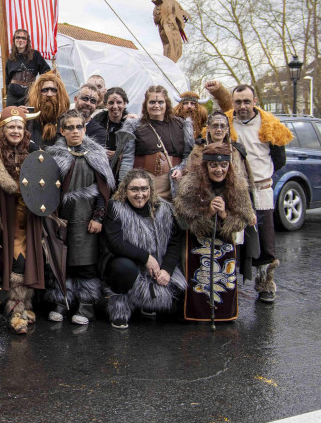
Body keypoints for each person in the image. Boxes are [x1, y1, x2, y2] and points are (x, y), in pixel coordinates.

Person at [45, 110, 114, 325]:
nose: (75, 131)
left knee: (85, 263)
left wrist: (99, 217)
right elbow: (46, 190)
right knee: (63, 260)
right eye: (70, 128)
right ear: (62, 131)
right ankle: (62, 301)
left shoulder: (96, 155)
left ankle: (86, 305)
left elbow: (105, 190)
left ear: (85, 129)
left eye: (79, 127)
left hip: (87, 217)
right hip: (62, 218)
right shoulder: (54, 156)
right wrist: (52, 218)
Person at [0, 106, 45, 334]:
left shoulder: (34, 154)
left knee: (29, 261)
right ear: (2, 129)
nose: (16, 131)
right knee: (17, 262)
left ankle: (26, 304)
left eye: (19, 126)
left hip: (31, 218)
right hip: (7, 219)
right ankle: (16, 311)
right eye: (11, 126)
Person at [174, 143, 256, 322]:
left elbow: (243, 218)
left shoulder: (238, 185)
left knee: (223, 278)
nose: (219, 170)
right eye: (214, 165)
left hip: (225, 244)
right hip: (197, 243)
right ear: (206, 166)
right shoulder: (190, 184)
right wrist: (208, 213)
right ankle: (198, 315)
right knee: (199, 281)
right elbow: (182, 217)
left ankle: (224, 314)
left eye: (223, 165)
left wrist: (224, 215)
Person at [227, 85, 293, 304]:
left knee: (265, 238)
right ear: (232, 103)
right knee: (235, 237)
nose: (243, 106)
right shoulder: (226, 123)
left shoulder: (270, 125)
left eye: (247, 101)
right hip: (235, 190)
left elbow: (279, 159)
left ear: (254, 100)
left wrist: (262, 175)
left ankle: (265, 282)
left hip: (261, 189)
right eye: (238, 102)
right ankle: (229, 284)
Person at [101, 169, 185, 327]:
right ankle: (120, 309)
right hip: (130, 264)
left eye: (144, 189)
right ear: (125, 190)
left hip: (158, 267)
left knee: (181, 298)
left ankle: (147, 304)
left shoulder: (165, 210)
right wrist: (146, 258)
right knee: (122, 268)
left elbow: (175, 242)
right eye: (134, 189)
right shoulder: (115, 208)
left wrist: (167, 270)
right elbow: (116, 242)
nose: (140, 194)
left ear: (150, 190)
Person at [120, 85, 194, 201]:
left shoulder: (181, 125)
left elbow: (189, 156)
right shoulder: (135, 126)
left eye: (160, 102)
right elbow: (127, 159)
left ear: (167, 103)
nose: (156, 106)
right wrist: (123, 186)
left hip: (173, 187)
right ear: (146, 104)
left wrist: (181, 170)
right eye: (152, 102)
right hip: (142, 189)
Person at [5, 29, 51, 106]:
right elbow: (7, 79)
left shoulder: (35, 55)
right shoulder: (10, 58)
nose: (20, 40)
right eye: (18, 37)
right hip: (13, 95)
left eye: (23, 38)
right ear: (14, 40)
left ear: (27, 41)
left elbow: (46, 71)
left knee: (30, 116)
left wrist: (38, 86)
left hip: (30, 94)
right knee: (11, 116)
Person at [26, 71, 70, 148]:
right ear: (38, 94)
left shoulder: (67, 120)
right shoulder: (29, 119)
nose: (49, 94)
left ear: (59, 94)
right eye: (45, 90)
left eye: (54, 90)